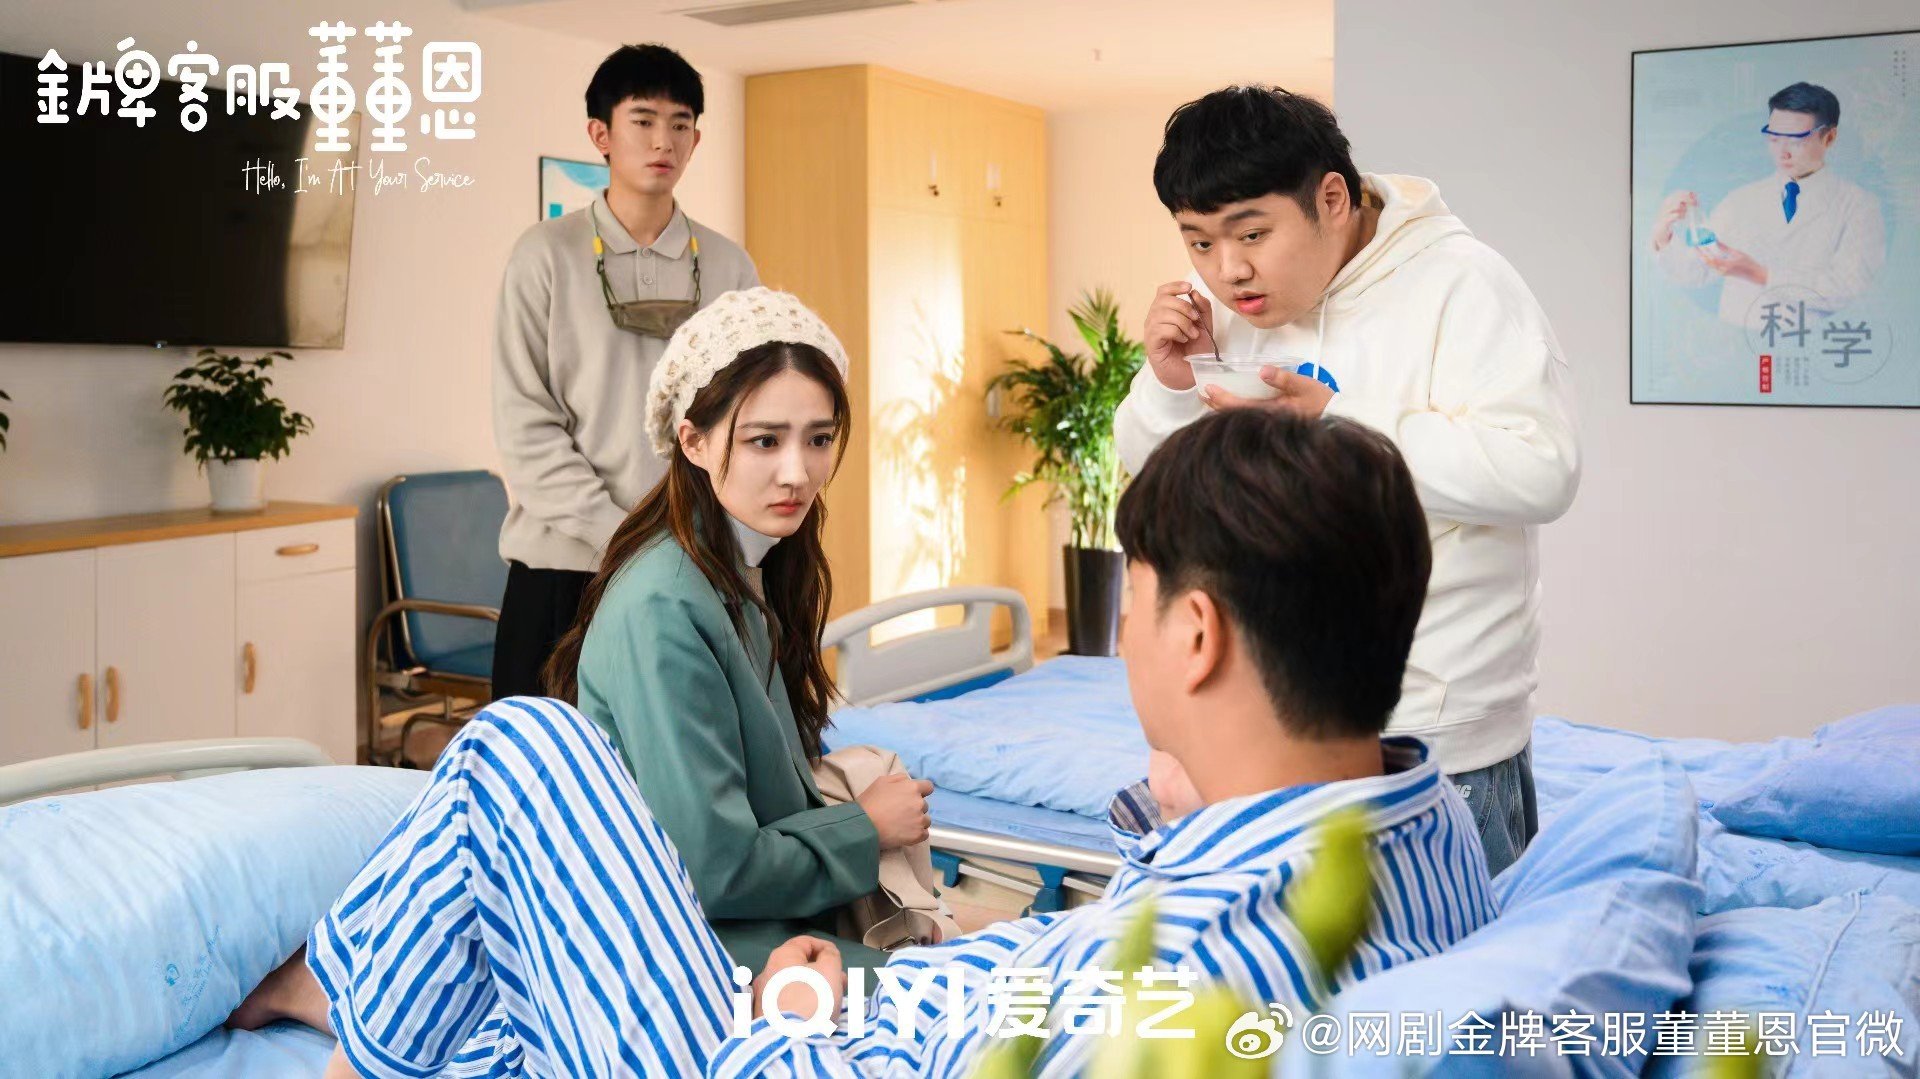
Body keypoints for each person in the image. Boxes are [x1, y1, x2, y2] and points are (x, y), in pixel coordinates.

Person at [301, 407, 1496, 1078]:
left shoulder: (1201, 965)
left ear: (1196, 635)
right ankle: (365, 1013)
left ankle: (349, 1021)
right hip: (900, 992)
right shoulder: (1425, 817)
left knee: (524, 742)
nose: (796, 470)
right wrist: (1189, 806)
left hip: (766, 1049)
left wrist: (799, 1010)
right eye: (766, 439)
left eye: (1132, 599)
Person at [1114, 85, 1580, 876]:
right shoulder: (1224, 311)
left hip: (1434, 734)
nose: (1228, 270)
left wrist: (1338, 420)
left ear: (1332, 198)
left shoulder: (1463, 285)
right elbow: (1158, 479)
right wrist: (1169, 383)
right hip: (1267, 725)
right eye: (1198, 243)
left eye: (1252, 233)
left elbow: (1543, 467)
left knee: (1453, 954)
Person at [541, 286, 928, 975]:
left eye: (819, 439)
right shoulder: (662, 607)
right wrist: (865, 826)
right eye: (764, 441)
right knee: (983, 1001)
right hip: (696, 946)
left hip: (769, 920)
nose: (798, 472)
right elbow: (711, 871)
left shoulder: (744, 568)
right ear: (693, 441)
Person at [491, 43, 760, 700]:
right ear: (601, 135)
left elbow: (752, 417)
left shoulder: (729, 266)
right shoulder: (544, 256)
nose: (663, 140)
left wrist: (706, 545)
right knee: (545, 758)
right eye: (643, 120)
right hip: (564, 571)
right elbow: (526, 426)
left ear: (696, 140)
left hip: (695, 567)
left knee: (684, 757)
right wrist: (627, 540)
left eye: (680, 123)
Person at [1651, 82, 1887, 329]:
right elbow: (1696, 272)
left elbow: (1850, 289)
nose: (1782, 152)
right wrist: (1665, 235)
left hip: (1807, 340)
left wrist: (1761, 274)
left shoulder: (1859, 206)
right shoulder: (1740, 200)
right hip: (1737, 340)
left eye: (1796, 140)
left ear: (1829, 137)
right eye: (1774, 138)